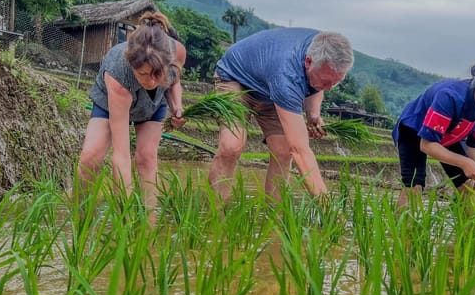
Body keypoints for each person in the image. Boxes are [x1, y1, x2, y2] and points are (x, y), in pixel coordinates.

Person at [207, 27, 354, 201]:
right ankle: (215, 214)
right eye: (326, 81)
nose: (329, 88)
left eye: (336, 82)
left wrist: (313, 114)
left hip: (270, 87)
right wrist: (328, 209)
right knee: (232, 145)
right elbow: (300, 150)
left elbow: (315, 85)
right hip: (236, 78)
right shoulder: (287, 74)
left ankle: (274, 219)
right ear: (308, 62)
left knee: (283, 151)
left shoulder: (325, 45)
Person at [78, 11, 187, 207]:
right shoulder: (118, 74)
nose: (152, 81)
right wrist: (125, 212)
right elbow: (120, 155)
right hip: (110, 103)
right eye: (143, 74)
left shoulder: (177, 52)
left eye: (157, 73)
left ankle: (149, 217)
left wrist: (176, 106)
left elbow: (174, 80)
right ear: (132, 65)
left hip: (153, 105)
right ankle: (80, 214)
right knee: (90, 157)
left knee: (147, 157)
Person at [392, 61, 475, 206]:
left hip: (449, 135)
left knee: (468, 188)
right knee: (414, 186)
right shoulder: (449, 97)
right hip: (413, 131)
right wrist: (465, 163)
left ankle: (472, 229)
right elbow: (427, 144)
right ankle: (402, 228)